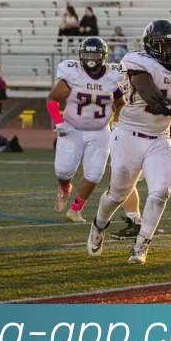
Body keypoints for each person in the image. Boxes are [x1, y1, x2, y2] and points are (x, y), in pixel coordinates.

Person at [87, 19, 171, 265]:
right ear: (150, 47)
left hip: (160, 138)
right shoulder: (137, 62)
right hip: (129, 135)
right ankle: (98, 225)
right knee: (117, 195)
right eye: (163, 45)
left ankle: (141, 245)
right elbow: (155, 101)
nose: (169, 51)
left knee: (161, 191)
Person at [47, 38, 125, 223]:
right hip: (72, 128)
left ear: (103, 57)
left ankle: (75, 210)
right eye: (87, 54)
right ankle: (65, 189)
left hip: (100, 131)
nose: (90, 59)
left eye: (94, 55)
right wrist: (58, 122)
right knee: (63, 172)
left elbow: (121, 104)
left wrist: (116, 121)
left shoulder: (113, 76)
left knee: (95, 173)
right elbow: (52, 99)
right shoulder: (73, 73)